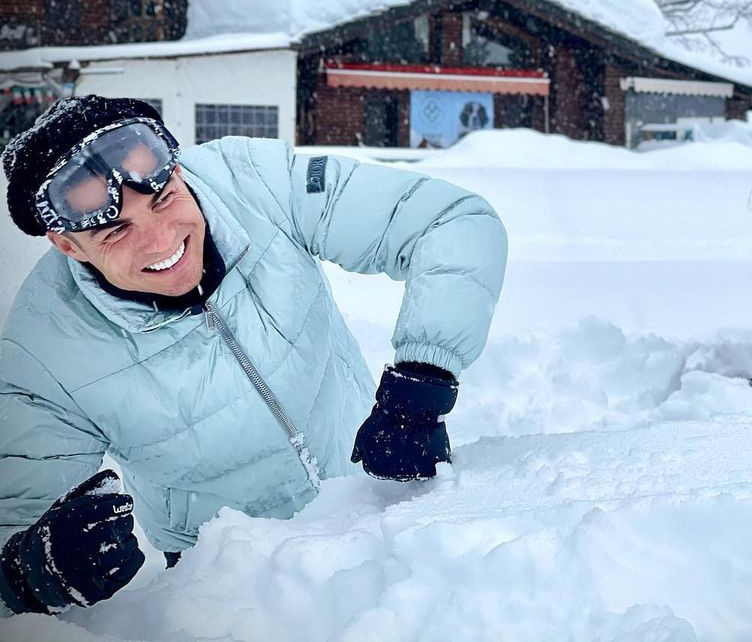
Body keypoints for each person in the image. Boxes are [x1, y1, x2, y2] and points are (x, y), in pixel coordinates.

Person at [0, 95, 507, 615]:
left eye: (163, 200)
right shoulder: (43, 351)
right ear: (67, 245)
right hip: (232, 587)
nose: (162, 241)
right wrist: (24, 571)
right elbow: (11, 523)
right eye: (116, 231)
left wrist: (422, 382)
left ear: (175, 169)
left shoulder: (255, 182)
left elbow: (452, 222)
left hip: (376, 503)